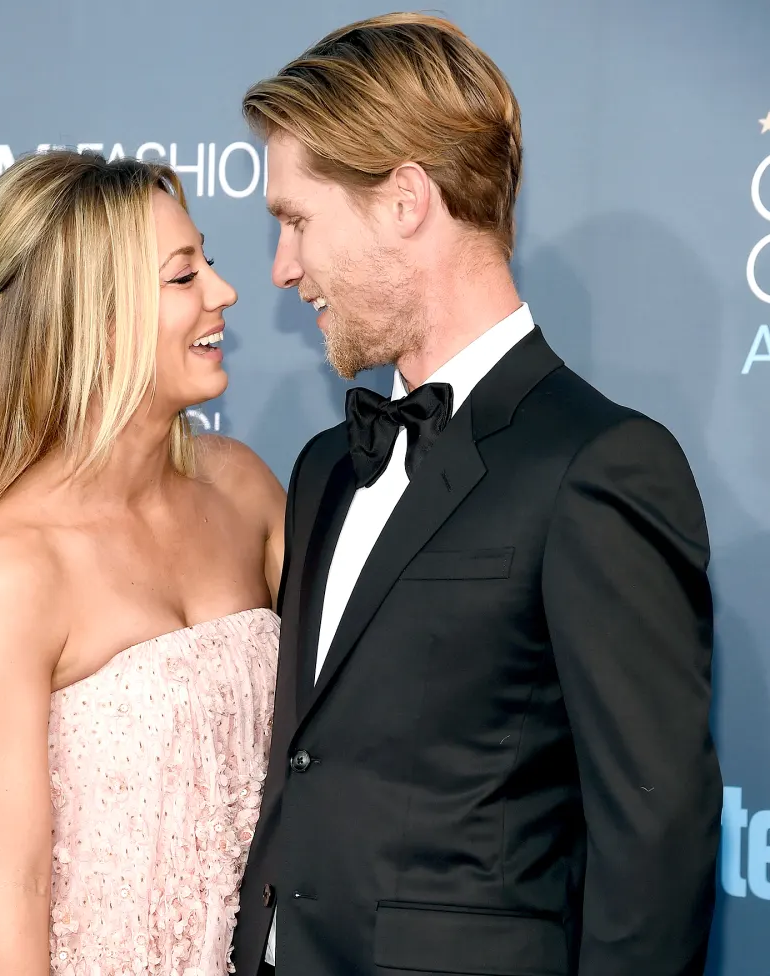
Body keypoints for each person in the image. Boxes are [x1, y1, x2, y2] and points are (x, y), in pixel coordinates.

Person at [232, 13, 722, 976]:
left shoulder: (600, 466)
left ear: (405, 199)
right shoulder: (328, 466)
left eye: (297, 220)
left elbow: (653, 849)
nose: (283, 270)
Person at [0, 150, 285, 976]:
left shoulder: (244, 487)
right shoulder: (9, 572)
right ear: (99, 317)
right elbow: (12, 901)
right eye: (184, 277)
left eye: (209, 265)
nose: (224, 294)